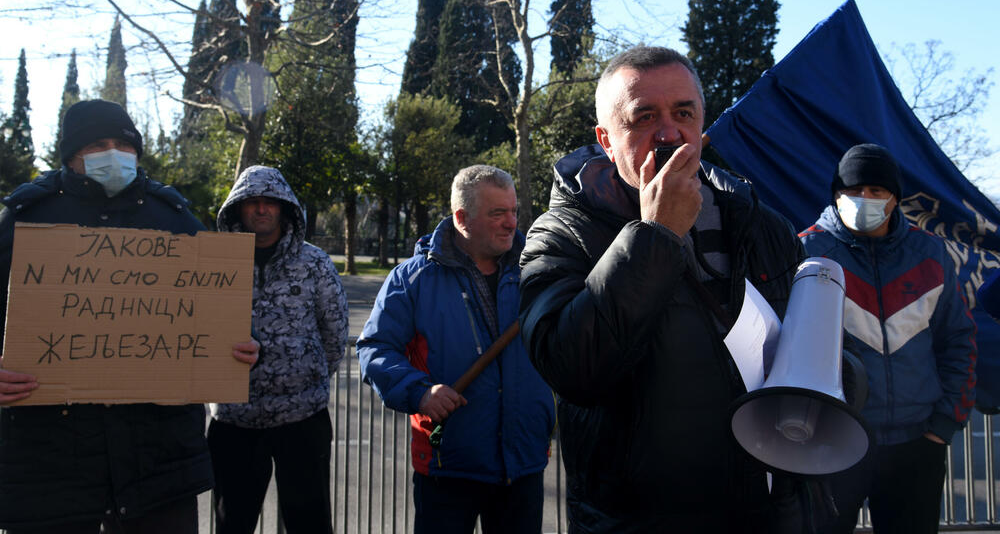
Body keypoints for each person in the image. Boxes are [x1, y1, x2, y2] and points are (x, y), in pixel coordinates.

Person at [517, 46, 807, 533]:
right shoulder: (560, 235)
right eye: (644, 116)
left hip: (764, 516)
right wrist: (657, 236)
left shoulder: (762, 225)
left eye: (683, 113)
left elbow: (818, 357)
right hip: (635, 522)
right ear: (606, 140)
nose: (669, 132)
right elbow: (572, 366)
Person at [0, 99, 259, 534]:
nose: (114, 153)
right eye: (98, 144)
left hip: (158, 472)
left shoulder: (175, 220)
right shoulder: (22, 221)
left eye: (123, 143)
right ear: (71, 155)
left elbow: (220, 318)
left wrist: (244, 349)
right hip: (48, 473)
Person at [357, 165, 555, 534]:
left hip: (524, 461)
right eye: (497, 213)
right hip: (446, 467)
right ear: (462, 218)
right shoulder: (412, 279)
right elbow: (374, 348)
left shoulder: (539, 271)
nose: (511, 223)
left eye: (513, 211)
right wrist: (419, 392)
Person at [800, 143, 977, 534]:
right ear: (836, 193)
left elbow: (959, 340)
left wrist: (942, 426)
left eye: (877, 191)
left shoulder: (930, 254)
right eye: (854, 189)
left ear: (895, 198)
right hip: (833, 444)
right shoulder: (807, 253)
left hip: (917, 444)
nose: (865, 199)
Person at [210, 165, 348, 534]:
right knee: (231, 522)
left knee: (310, 523)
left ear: (285, 208)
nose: (260, 209)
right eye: (251, 202)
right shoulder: (213, 263)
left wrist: (304, 376)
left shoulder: (315, 264)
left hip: (302, 420)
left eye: (269, 202)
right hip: (233, 422)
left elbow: (335, 335)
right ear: (236, 209)